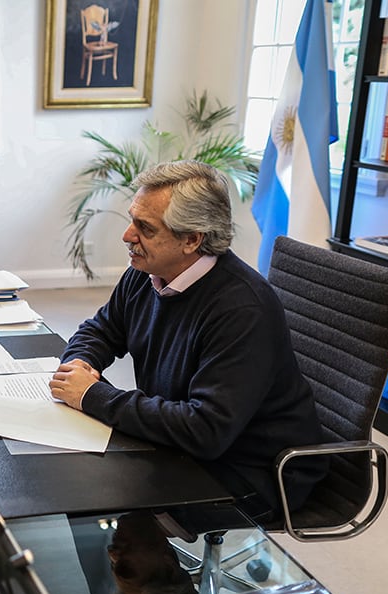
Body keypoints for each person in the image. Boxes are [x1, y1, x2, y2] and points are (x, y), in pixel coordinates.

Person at [49, 160, 327, 524]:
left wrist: (93, 395)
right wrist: (80, 365)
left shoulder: (242, 309)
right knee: (59, 472)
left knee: (80, 497)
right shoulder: (147, 272)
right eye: (132, 220)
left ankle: (147, 579)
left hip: (251, 473)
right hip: (181, 447)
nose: (128, 235)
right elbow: (100, 330)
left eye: (145, 228)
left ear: (192, 239)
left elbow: (205, 430)